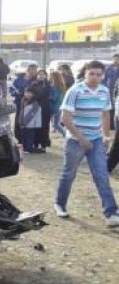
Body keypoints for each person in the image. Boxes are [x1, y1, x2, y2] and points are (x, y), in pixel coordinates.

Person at [54, 60, 119, 226]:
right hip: (75, 141)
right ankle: (60, 204)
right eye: (92, 74)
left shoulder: (104, 91)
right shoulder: (75, 91)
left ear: (102, 75)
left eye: (99, 74)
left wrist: (105, 136)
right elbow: (65, 119)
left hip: (96, 140)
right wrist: (81, 139)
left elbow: (105, 115)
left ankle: (111, 212)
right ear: (85, 73)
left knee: (102, 175)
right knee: (69, 174)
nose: (95, 77)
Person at [19, 85, 42, 154]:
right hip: (24, 123)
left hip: (32, 124)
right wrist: (21, 122)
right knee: (24, 136)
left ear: (33, 94)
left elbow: (30, 115)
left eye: (29, 93)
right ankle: (25, 148)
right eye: (26, 92)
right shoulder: (24, 101)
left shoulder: (35, 103)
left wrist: (24, 123)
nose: (27, 94)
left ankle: (29, 149)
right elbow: (21, 112)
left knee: (29, 137)